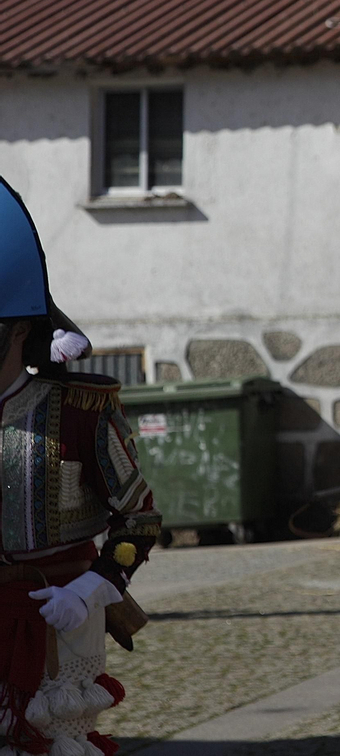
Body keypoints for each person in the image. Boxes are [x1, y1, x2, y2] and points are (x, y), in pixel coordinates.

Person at [0, 176, 162, 756]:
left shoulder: (79, 411)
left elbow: (139, 518)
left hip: (60, 612)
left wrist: (96, 586)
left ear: (21, 330)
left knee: (55, 741)